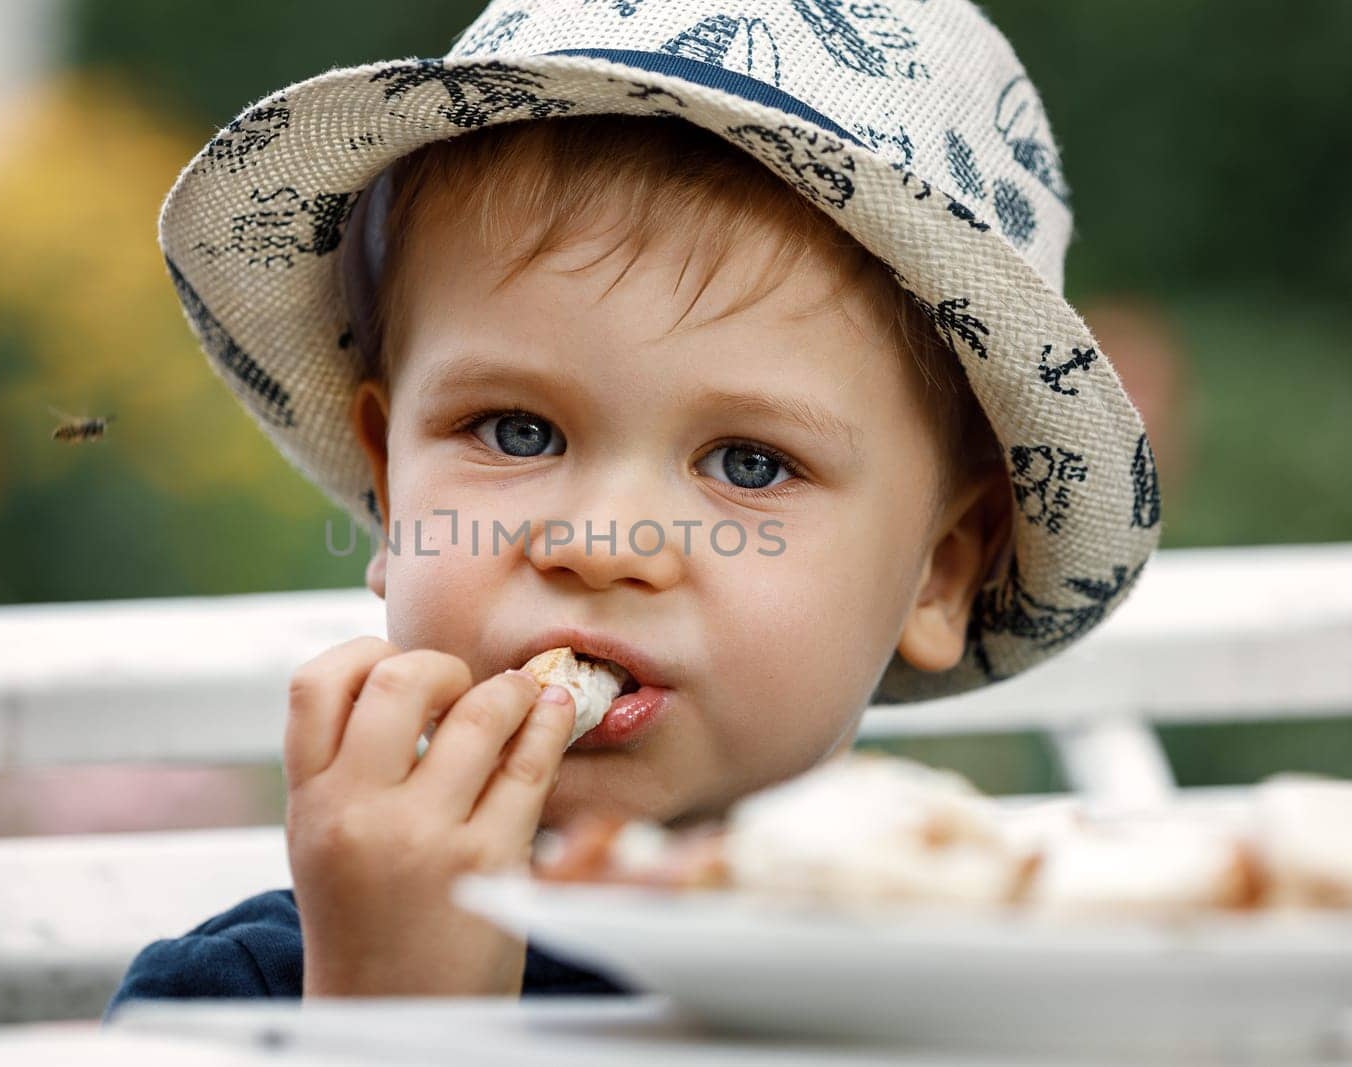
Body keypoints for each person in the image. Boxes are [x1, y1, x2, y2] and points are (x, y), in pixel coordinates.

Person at [103, 0, 1162, 1016]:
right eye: (517, 430)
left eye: (748, 463)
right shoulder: (244, 1002)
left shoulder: (1003, 993)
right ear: (390, 493)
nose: (603, 546)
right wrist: (387, 1017)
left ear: (940, 567)